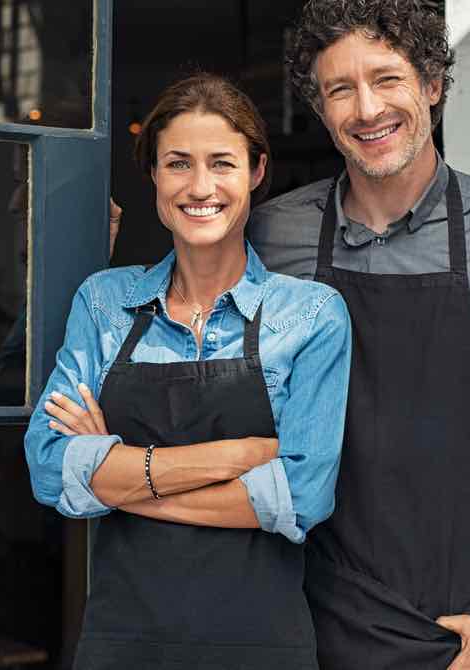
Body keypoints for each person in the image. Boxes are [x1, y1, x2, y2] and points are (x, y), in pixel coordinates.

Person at [238, 1, 470, 667]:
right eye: (340, 90)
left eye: (386, 79)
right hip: (296, 625)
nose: (366, 109)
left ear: (432, 85)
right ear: (320, 111)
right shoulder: (269, 236)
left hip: (463, 639)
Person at [24, 73, 351, 670]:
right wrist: (239, 456)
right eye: (178, 163)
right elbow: (49, 467)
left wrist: (117, 480)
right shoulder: (104, 303)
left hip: (260, 649)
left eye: (222, 163)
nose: (200, 187)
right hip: (121, 644)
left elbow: (302, 497)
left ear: (256, 172)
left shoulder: (309, 315)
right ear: (153, 174)